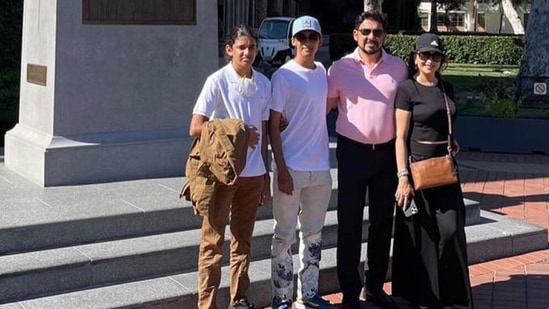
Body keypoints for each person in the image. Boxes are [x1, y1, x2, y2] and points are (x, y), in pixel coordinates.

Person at [326, 10, 408, 309]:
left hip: (386, 154)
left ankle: (374, 287)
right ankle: (350, 291)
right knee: (349, 223)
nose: (371, 37)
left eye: (377, 32)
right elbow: (323, 108)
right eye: (366, 31)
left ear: (384, 36)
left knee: (382, 223)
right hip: (352, 152)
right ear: (356, 34)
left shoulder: (399, 68)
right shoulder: (340, 68)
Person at [189, 24, 271, 309]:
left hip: (253, 175)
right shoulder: (217, 81)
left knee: (243, 242)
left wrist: (267, 179)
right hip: (222, 175)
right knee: (212, 243)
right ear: (229, 50)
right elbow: (196, 127)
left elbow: (263, 135)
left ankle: (239, 298)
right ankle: (207, 304)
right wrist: (237, 133)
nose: (247, 53)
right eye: (241, 48)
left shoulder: (263, 83)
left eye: (252, 48)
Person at [392, 32, 474, 308]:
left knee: (450, 230)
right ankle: (424, 296)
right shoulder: (406, 90)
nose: (430, 60)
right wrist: (403, 177)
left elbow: (445, 121)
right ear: (415, 58)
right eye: (425, 55)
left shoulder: (445, 88)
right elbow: (400, 137)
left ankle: (448, 293)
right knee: (422, 236)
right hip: (417, 171)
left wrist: (451, 141)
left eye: (436, 56)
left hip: (445, 169)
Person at [269, 16, 336, 309]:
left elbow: (323, 106)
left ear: (320, 41)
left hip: (320, 167)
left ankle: (307, 294)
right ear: (293, 41)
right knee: (283, 235)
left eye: (313, 37)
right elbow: (273, 126)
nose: (307, 42)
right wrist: (281, 168)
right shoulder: (283, 76)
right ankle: (282, 296)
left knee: (313, 235)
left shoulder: (322, 71)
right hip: (291, 168)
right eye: (302, 37)